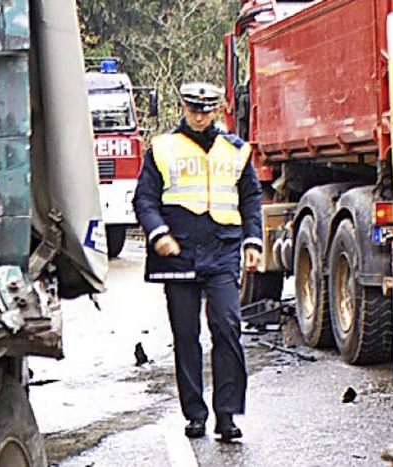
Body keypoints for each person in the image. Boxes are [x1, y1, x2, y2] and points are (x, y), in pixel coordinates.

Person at [132, 81, 263, 441]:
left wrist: (253, 240)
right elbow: (144, 199)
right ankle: (195, 414)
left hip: (221, 250)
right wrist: (158, 234)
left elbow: (251, 197)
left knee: (227, 327)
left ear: (217, 111)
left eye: (206, 110)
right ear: (184, 109)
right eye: (194, 109)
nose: (200, 116)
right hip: (178, 251)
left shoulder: (236, 150)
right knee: (186, 336)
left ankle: (227, 415)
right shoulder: (162, 148)